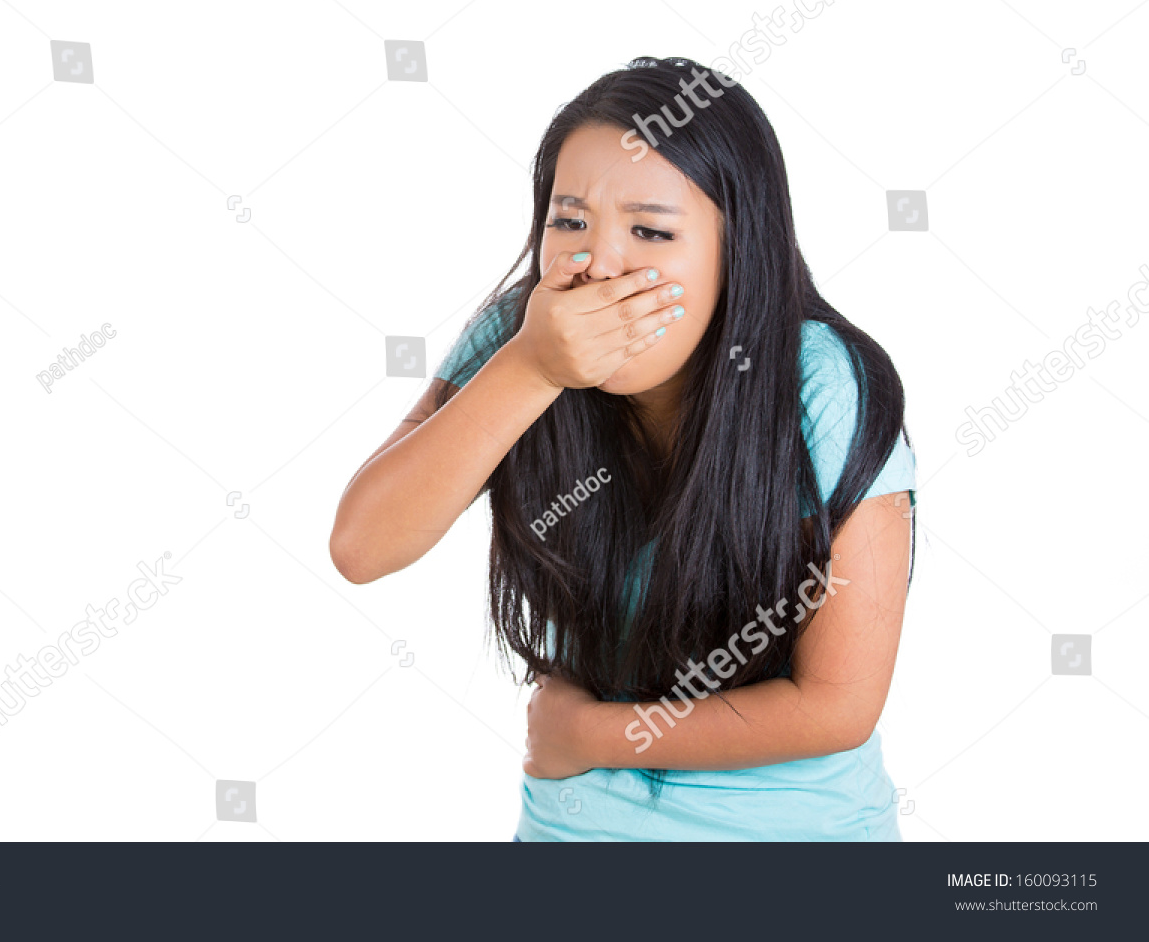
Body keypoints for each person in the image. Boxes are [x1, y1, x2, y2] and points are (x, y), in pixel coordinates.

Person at [329, 56, 917, 840]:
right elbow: (363, 545)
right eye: (570, 222)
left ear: (737, 249)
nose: (598, 263)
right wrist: (531, 370)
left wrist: (591, 736)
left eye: (650, 231)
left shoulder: (822, 382)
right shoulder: (519, 342)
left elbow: (838, 705)